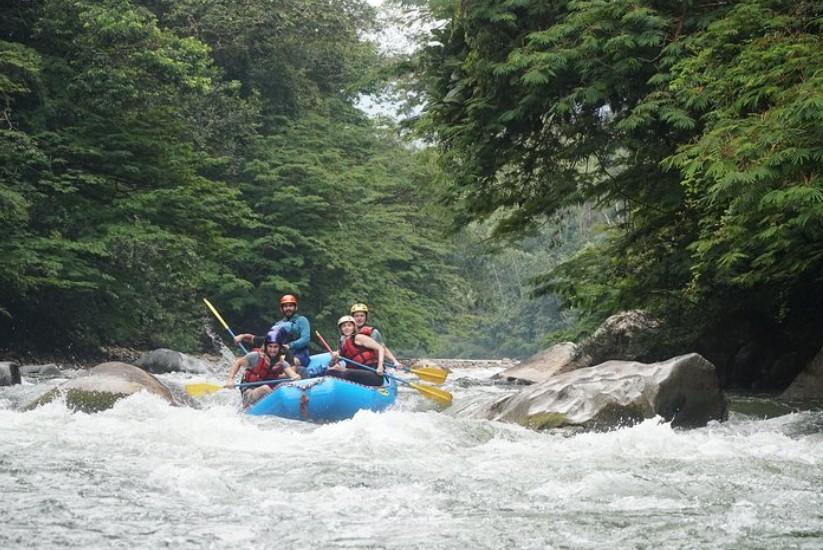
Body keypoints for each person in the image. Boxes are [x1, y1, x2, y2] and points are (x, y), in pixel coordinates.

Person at [225, 328, 302, 407]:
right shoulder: (255, 356)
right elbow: (238, 363)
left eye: (275, 347)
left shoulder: (282, 362)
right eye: (270, 346)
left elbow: (292, 373)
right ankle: (247, 405)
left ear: (279, 348)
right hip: (248, 392)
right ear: (266, 347)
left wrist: (296, 377)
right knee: (265, 388)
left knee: (281, 386)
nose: (272, 350)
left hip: (266, 394)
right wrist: (230, 379)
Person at [234, 294, 312, 368]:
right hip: (282, 354)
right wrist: (242, 336)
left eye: (291, 306)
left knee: (289, 363)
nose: (288, 308)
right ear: (281, 309)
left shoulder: (302, 320)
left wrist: (289, 345)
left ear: (296, 308)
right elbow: (265, 340)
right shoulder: (278, 324)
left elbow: (305, 339)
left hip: (300, 354)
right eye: (285, 306)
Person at [327, 315, 385, 386]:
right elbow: (331, 365)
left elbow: (380, 348)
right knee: (330, 372)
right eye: (344, 326)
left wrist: (380, 366)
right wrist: (334, 358)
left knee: (346, 372)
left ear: (354, 327)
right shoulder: (343, 344)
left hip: (373, 374)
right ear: (341, 329)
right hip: (356, 374)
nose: (346, 328)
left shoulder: (358, 337)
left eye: (349, 325)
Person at [349, 302, 403, 369]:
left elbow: (383, 348)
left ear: (366, 317)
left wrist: (395, 361)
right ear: (352, 318)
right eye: (356, 316)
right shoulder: (347, 334)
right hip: (353, 367)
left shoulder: (373, 332)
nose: (359, 318)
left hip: (372, 366)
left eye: (362, 316)